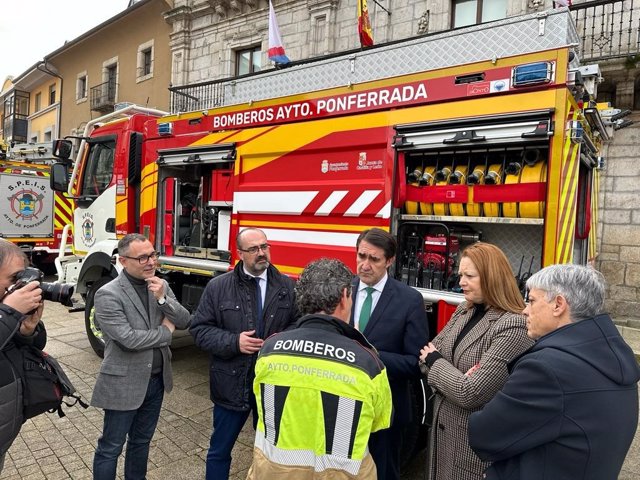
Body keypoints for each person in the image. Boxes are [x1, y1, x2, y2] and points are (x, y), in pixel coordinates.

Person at [468, 264, 640, 480]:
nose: (525, 310)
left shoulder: (546, 369)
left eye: (531, 300)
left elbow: (484, 435)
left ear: (558, 304)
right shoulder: (612, 358)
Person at [246, 258, 393, 479]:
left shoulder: (269, 349)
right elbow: (381, 421)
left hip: (273, 472)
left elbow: (259, 406)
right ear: (344, 297)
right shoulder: (367, 363)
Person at [190, 227, 298, 480]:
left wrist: (278, 342)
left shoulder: (286, 286)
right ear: (239, 253)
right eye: (254, 249)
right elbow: (199, 329)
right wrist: (233, 342)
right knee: (219, 451)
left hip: (272, 385)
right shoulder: (218, 287)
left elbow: (299, 323)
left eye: (264, 246)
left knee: (272, 452)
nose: (261, 253)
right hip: (230, 384)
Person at [418, 242, 534, 480]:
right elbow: (424, 357)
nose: (461, 281)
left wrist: (438, 362)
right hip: (441, 440)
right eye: (461, 274)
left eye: (469, 275)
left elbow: (471, 393)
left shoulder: (513, 325)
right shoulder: (464, 310)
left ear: (492, 277)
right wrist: (452, 373)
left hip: (470, 450)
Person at [91, 233, 190, 480]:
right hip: (123, 382)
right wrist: (166, 332)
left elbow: (185, 320)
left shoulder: (160, 285)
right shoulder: (108, 294)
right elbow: (129, 339)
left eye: (153, 255)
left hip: (156, 381)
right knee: (111, 447)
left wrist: (163, 299)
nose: (150, 262)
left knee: (141, 441)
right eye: (142, 257)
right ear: (123, 261)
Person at [351, 228, 428, 480]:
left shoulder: (409, 300)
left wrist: (370, 354)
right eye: (361, 256)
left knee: (383, 472)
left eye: (374, 259)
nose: (365, 265)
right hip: (344, 405)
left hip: (387, 412)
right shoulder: (343, 291)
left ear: (390, 261)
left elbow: (415, 364)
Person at [0, 240, 45, 474]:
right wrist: (9, 312)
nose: (21, 288)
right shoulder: (6, 310)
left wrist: (27, 331)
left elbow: (37, 345)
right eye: (14, 280)